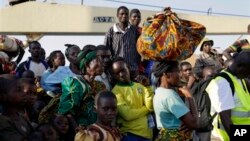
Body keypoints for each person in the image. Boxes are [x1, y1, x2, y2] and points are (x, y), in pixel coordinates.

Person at [206, 51, 250, 141]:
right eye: (248, 71)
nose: (249, 75)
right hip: (225, 136)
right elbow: (225, 118)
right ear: (240, 66)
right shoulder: (223, 82)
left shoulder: (239, 78)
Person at [152, 60, 198, 141]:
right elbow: (194, 123)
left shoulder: (158, 91)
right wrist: (189, 96)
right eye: (177, 71)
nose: (180, 75)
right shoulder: (169, 95)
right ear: (166, 74)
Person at [58, 48, 105, 126]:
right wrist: (78, 131)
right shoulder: (75, 83)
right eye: (98, 61)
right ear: (86, 64)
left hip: (96, 127)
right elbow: (68, 113)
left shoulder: (100, 85)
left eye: (102, 62)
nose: (102, 64)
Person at [111, 57, 153, 141]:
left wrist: (148, 87)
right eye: (117, 73)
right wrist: (147, 109)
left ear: (128, 68)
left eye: (123, 70)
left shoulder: (140, 85)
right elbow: (127, 115)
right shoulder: (116, 91)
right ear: (114, 75)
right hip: (130, 135)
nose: (121, 74)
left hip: (147, 135)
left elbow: (151, 105)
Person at [104, 6, 140, 79]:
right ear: (117, 15)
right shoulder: (111, 31)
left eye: (126, 14)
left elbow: (139, 48)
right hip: (117, 70)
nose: (124, 16)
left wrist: (137, 64)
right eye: (122, 14)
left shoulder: (134, 30)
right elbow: (106, 49)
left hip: (133, 69)